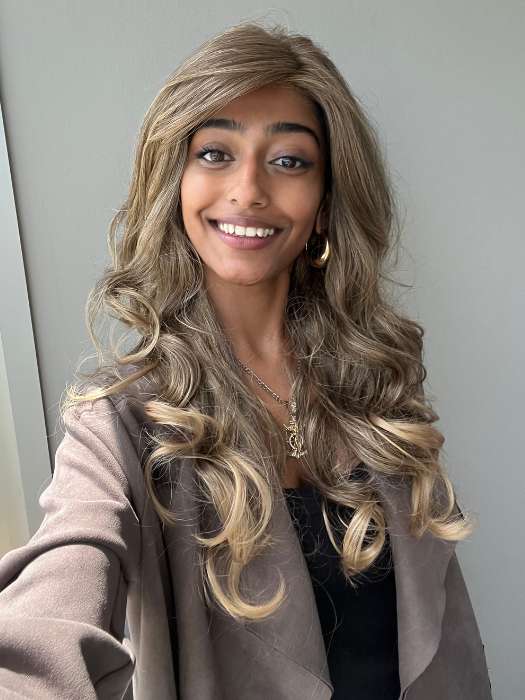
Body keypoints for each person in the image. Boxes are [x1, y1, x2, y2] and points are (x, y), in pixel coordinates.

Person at [0, 20, 492, 700]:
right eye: (214, 153)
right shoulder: (118, 424)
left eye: (288, 161)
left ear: (324, 205)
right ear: (174, 184)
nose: (249, 188)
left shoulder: (377, 386)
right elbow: (53, 609)